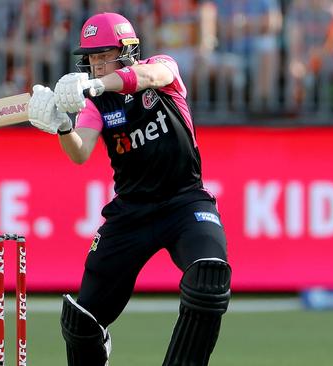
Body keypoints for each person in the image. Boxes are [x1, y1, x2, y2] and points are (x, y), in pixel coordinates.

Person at [27, 12, 231, 366]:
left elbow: (148, 76)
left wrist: (98, 85)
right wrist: (61, 126)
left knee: (208, 278)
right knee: (81, 322)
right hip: (130, 214)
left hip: (184, 202)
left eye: (105, 55)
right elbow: (80, 152)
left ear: (128, 50)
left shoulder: (161, 69)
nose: (97, 64)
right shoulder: (96, 105)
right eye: (91, 58)